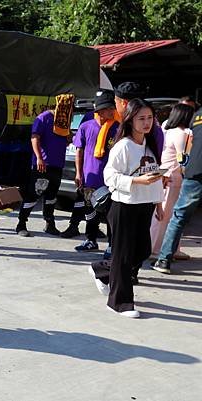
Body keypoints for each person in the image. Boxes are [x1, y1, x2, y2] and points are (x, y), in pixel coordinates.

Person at [90, 99, 164, 318]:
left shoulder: (149, 146)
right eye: (141, 118)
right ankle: (120, 303)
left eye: (150, 118)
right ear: (130, 120)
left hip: (145, 206)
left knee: (141, 251)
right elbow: (110, 176)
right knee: (123, 257)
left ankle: (101, 269)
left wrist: (158, 203)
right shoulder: (123, 145)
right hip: (124, 205)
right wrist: (138, 182)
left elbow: (156, 175)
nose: (146, 122)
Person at [63, 90, 119, 255]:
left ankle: (111, 244)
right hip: (90, 177)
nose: (112, 111)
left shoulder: (118, 128)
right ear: (100, 110)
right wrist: (78, 173)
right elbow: (79, 151)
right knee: (90, 211)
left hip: (109, 180)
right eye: (109, 108)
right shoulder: (86, 126)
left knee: (110, 213)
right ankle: (91, 240)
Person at [151, 107, 202, 274]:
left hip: (179, 173)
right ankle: (160, 252)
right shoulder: (180, 132)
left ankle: (164, 256)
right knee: (170, 215)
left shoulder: (171, 128)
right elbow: (182, 158)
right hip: (174, 176)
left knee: (173, 216)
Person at [16, 94, 74, 237]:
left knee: (52, 196)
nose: (70, 111)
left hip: (57, 164)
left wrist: (69, 138)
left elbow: (64, 140)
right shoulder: (43, 118)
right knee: (33, 194)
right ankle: (21, 224)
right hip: (43, 164)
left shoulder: (63, 121)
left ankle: (49, 224)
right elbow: (35, 138)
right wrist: (39, 158)